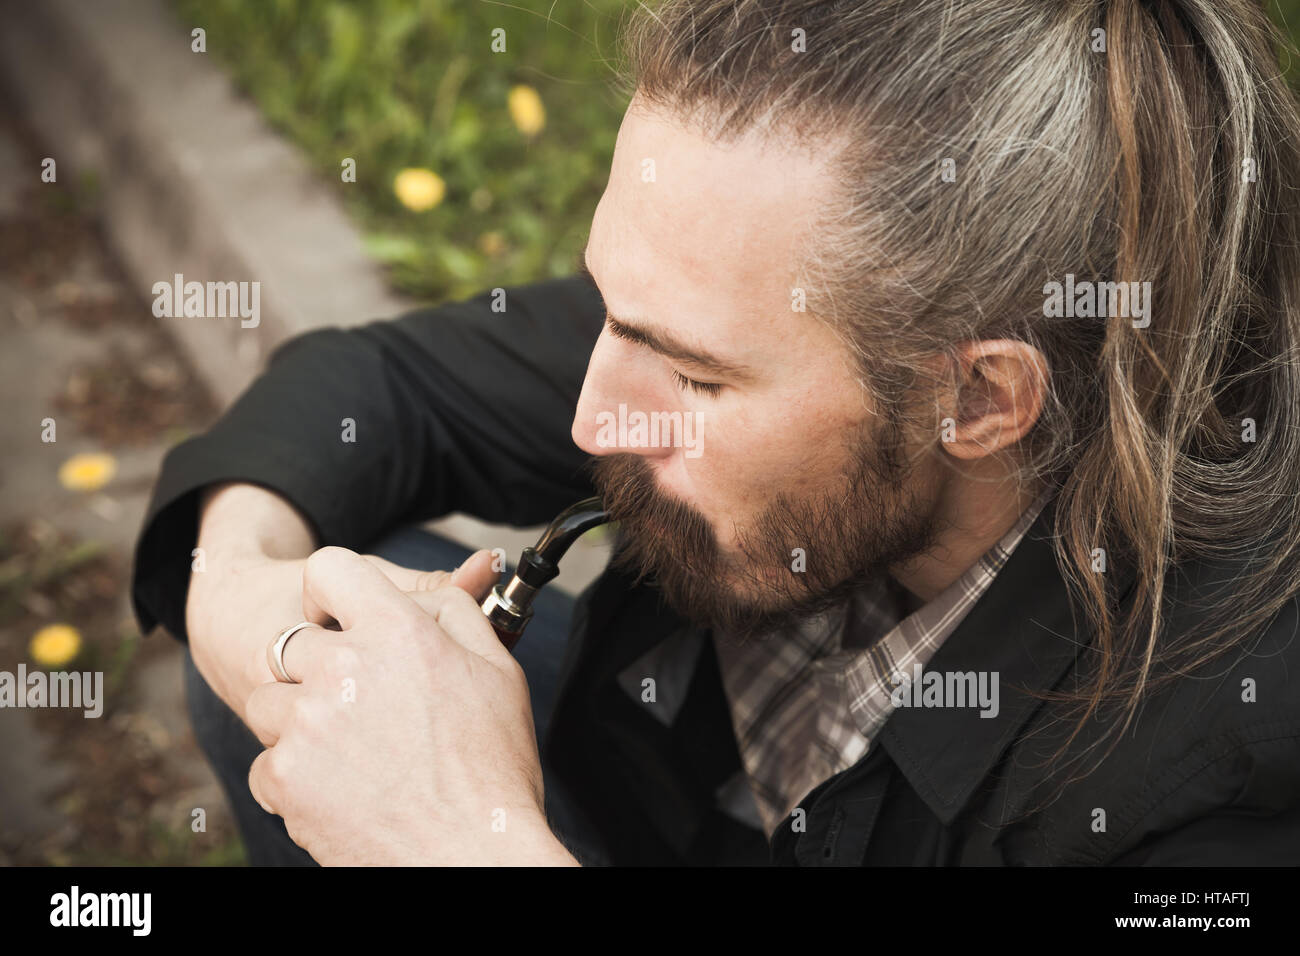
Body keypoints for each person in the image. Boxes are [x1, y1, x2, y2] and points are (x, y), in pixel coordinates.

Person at [132, 0, 1300, 865]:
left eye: (690, 374)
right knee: (336, 630)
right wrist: (242, 598)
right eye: (610, 310)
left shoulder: (1226, 776)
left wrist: (462, 838)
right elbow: (368, 386)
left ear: (982, 400)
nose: (594, 417)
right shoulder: (751, 307)